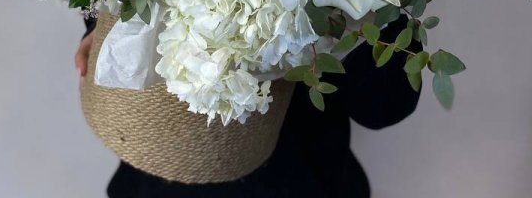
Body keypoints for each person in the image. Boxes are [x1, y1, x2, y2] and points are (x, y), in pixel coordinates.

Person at [76, 16, 420, 198]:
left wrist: (363, 14)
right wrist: (103, 26)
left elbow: (381, 108)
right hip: (157, 172)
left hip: (299, 173)